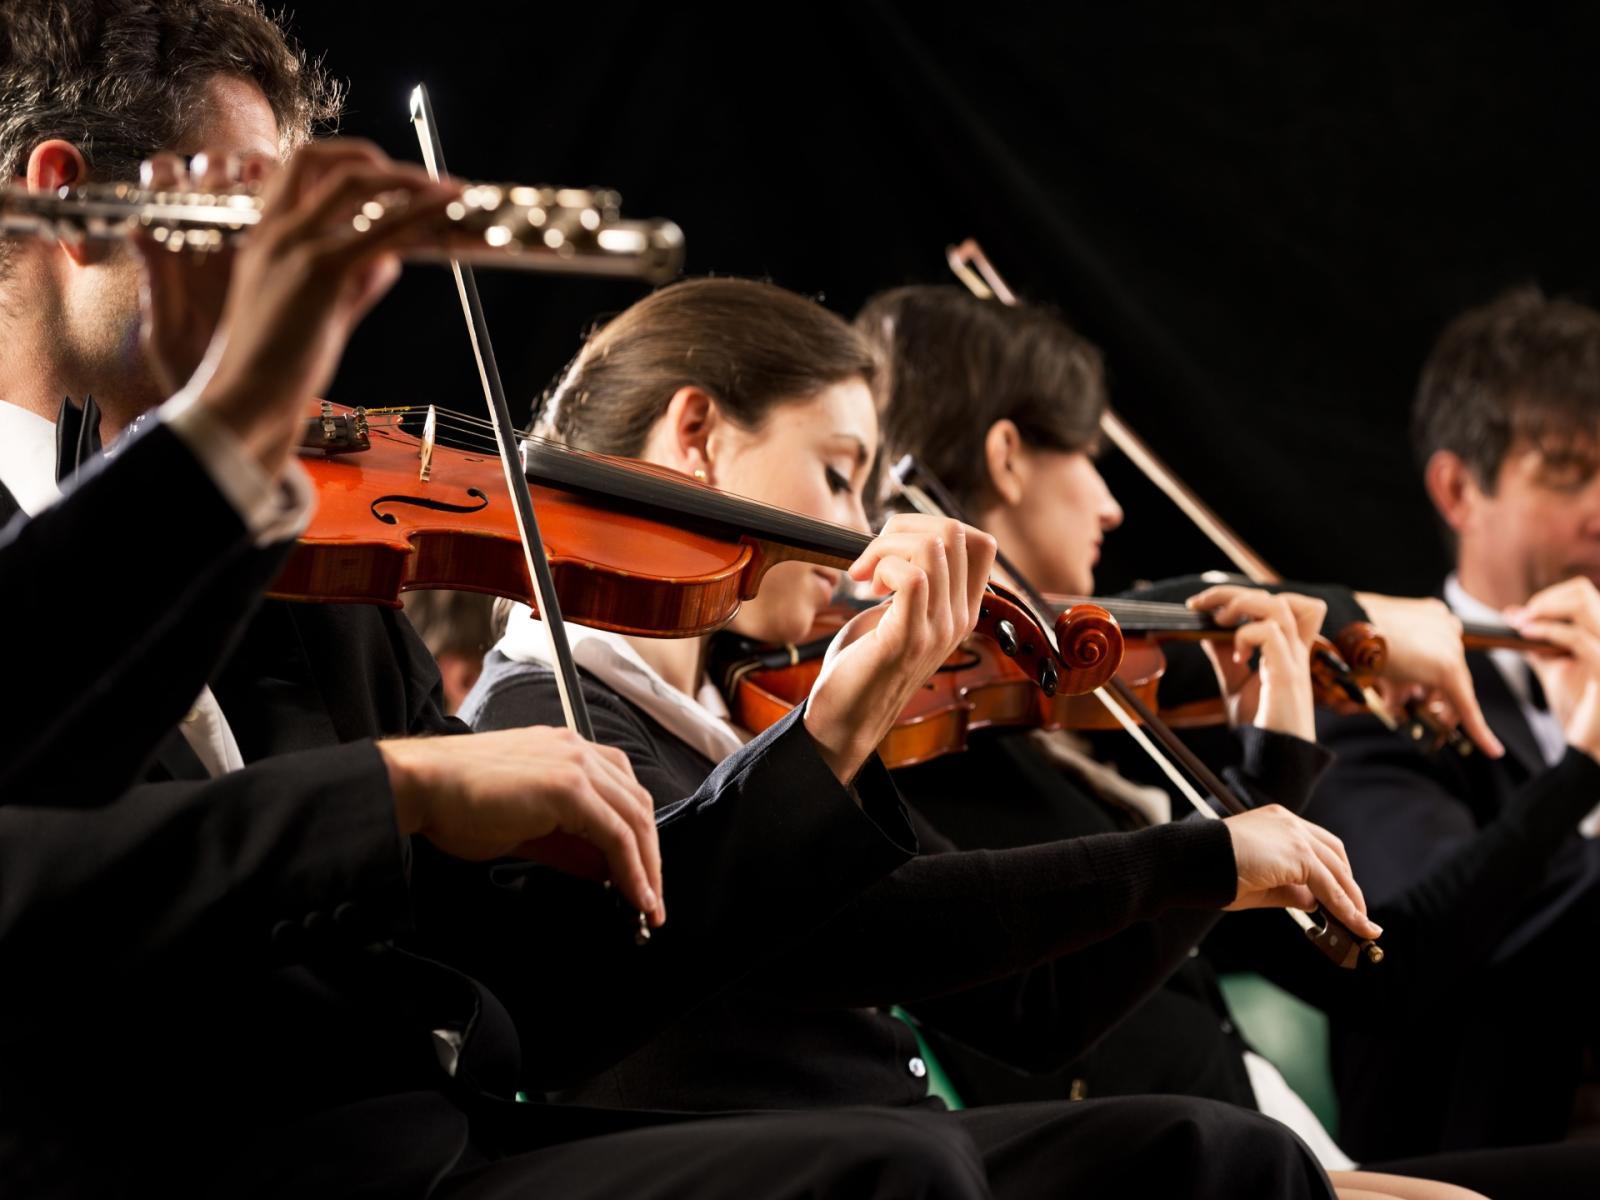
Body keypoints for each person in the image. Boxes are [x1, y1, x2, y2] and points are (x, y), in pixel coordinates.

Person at [0, 4, 1004, 1196]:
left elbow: (546, 986)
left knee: (1126, 1156)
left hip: (426, 1146)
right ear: (75, 203)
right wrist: (392, 789)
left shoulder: (319, 555)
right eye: (257, 214)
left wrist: (829, 730)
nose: (290, 276)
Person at [459, 275, 1421, 1200]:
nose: (854, 526)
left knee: (1224, 1154)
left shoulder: (729, 719)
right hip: (820, 1174)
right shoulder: (537, 716)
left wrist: (1250, 812)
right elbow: (860, 927)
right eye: (837, 474)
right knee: (1230, 1159)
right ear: (698, 433)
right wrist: (1196, 852)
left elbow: (1040, 1009)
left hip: (904, 1154)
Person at [859, 282, 1600, 1200]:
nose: (1111, 505)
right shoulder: (930, 750)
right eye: (1091, 456)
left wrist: (1273, 760)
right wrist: (1351, 619)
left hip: (1252, 1137)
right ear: (1008, 458)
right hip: (1187, 1162)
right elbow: (1067, 1005)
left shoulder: (1036, 743)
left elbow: (1271, 927)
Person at [1303, 286, 1600, 1158]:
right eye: (1569, 472)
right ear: (1458, 487)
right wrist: (1585, 763)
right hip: (1480, 1151)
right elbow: (1427, 951)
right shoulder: (1376, 688)